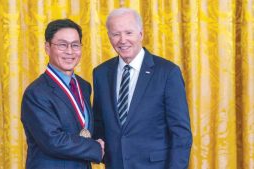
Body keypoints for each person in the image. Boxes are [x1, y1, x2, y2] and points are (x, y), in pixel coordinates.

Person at [93, 8, 192, 169]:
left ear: (141, 34)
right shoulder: (101, 73)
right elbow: (99, 122)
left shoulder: (167, 72)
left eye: (129, 33)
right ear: (109, 37)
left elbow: (181, 134)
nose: (122, 40)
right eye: (116, 34)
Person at [21, 19, 104, 169]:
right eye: (62, 45)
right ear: (47, 48)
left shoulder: (84, 86)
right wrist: (96, 148)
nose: (70, 51)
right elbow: (53, 140)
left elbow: (86, 128)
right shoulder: (36, 93)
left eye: (75, 45)